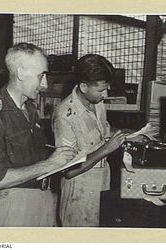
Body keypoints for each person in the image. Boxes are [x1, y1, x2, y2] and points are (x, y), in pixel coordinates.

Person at [0, 42, 76, 227]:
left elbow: (30, 156)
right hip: (14, 207)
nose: (45, 84)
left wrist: (61, 156)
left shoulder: (31, 109)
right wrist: (50, 163)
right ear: (20, 73)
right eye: (40, 76)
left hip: (43, 200)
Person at [52, 54, 129, 227]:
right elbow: (69, 170)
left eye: (107, 88)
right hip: (78, 193)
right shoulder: (65, 115)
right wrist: (106, 149)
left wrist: (128, 135)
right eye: (101, 90)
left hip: (102, 184)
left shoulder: (96, 102)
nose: (105, 94)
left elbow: (104, 133)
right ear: (83, 86)